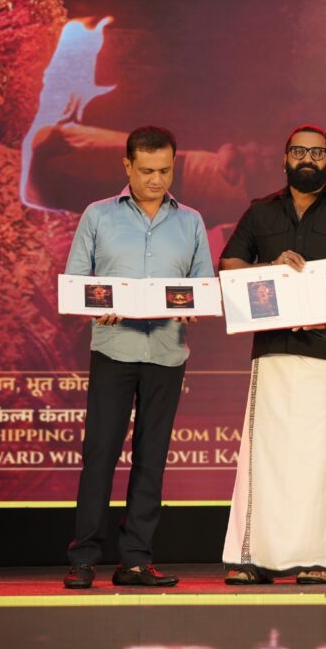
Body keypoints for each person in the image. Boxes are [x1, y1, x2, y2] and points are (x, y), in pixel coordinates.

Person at [220, 124, 326, 585]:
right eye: (299, 151)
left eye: (317, 152)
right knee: (264, 456)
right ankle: (253, 556)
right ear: (285, 158)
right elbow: (229, 264)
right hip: (271, 349)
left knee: (319, 458)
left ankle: (317, 558)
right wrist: (268, 269)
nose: (307, 158)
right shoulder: (260, 212)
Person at [62, 126, 213, 589]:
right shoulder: (98, 215)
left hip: (167, 352)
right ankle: (84, 557)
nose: (156, 180)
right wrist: (97, 306)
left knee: (152, 457)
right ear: (127, 166)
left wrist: (193, 307)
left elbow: (203, 285)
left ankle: (135, 560)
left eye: (165, 170)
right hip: (115, 348)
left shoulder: (190, 221)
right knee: (100, 452)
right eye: (147, 170)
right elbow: (77, 282)